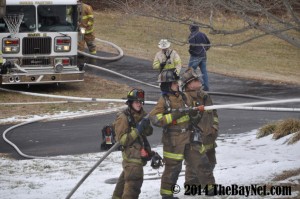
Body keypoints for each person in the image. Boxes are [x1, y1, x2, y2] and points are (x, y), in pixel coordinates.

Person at [149, 69, 204, 199]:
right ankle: (166, 196)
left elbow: (191, 114)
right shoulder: (164, 100)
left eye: (176, 83)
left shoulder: (182, 96)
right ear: (168, 85)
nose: (177, 85)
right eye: (174, 83)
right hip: (172, 141)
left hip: (185, 138)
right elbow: (155, 119)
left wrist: (196, 111)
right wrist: (174, 115)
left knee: (180, 167)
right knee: (172, 168)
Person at [181, 69, 219, 195]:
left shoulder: (205, 96)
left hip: (209, 137)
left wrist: (215, 127)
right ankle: (192, 189)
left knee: (210, 163)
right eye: (196, 80)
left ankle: (204, 185)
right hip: (195, 140)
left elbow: (214, 114)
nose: (199, 82)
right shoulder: (184, 99)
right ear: (189, 85)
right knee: (193, 166)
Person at [112, 88, 153, 199]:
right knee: (133, 188)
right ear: (130, 103)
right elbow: (122, 140)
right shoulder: (123, 118)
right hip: (131, 158)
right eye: (136, 102)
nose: (139, 104)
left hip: (137, 157)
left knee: (121, 187)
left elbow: (149, 133)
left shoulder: (142, 114)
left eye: (141, 101)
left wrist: (146, 125)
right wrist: (137, 130)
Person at [188, 24, 211, 91]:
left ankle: (190, 87)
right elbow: (208, 44)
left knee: (190, 71)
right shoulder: (203, 34)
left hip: (195, 56)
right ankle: (206, 87)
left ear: (191, 28)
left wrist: (191, 51)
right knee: (204, 72)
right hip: (203, 55)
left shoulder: (192, 35)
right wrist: (204, 50)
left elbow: (192, 45)